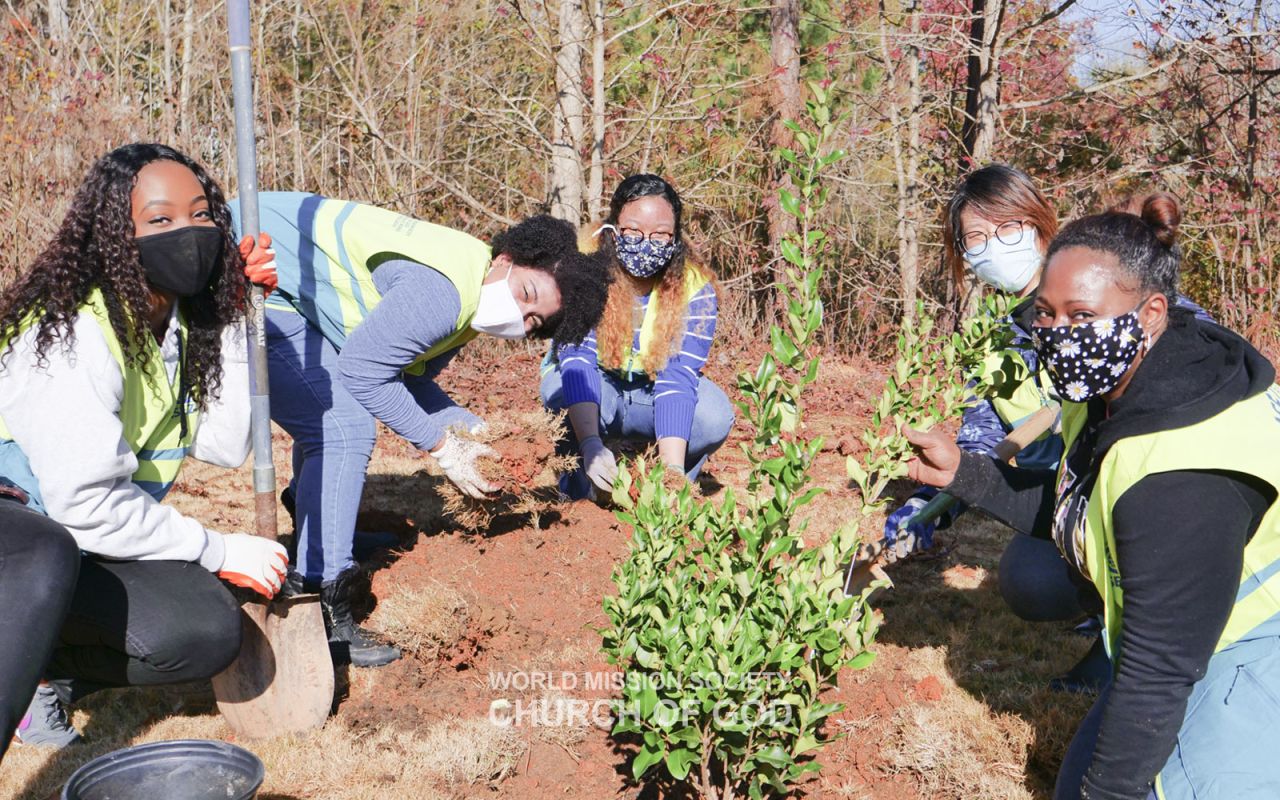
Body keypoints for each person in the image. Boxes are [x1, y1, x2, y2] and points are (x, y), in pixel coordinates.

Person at [905, 194, 1280, 800]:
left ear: (1151, 313)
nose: (1059, 335)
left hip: (1256, 649)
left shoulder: (1181, 467)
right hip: (1186, 634)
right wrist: (962, 474)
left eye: (1082, 314)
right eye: (1047, 315)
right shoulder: (1113, 387)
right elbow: (1075, 506)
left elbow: (1158, 673)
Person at [231, 193, 611, 668]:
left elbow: (408, 379)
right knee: (346, 426)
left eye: (533, 320)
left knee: (334, 414)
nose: (519, 315)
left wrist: (475, 431)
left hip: (284, 274)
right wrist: (444, 447)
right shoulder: (445, 293)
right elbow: (364, 372)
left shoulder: (473, 296)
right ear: (507, 259)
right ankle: (324, 600)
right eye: (526, 294)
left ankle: (323, 529)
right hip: (250, 258)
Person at [0, 143, 287, 748]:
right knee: (55, 559)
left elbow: (226, 443)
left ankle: (42, 670)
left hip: (76, 537)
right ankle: (17, 657)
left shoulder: (173, 325)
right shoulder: (75, 333)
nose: (189, 232)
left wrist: (235, 310)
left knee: (202, 631)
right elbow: (86, 505)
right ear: (114, 236)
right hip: (19, 546)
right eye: (160, 219)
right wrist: (217, 547)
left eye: (202, 214)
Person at [882, 164, 1210, 692]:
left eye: (1008, 228)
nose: (994, 246)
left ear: (1039, 224)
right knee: (1029, 579)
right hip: (1062, 501)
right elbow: (980, 443)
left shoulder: (1112, 294)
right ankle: (1104, 607)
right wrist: (927, 506)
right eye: (975, 238)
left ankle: (1134, 643)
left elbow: (1198, 350)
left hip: (1160, 490)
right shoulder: (994, 345)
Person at [539, 174, 733, 499]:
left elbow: (677, 378)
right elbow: (578, 359)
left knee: (714, 415)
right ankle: (579, 482)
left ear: (675, 238)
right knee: (558, 389)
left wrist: (672, 471)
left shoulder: (695, 288)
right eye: (632, 231)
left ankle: (665, 483)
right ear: (613, 228)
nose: (646, 243)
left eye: (660, 234)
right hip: (597, 386)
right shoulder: (584, 266)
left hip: (650, 393)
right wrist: (590, 444)